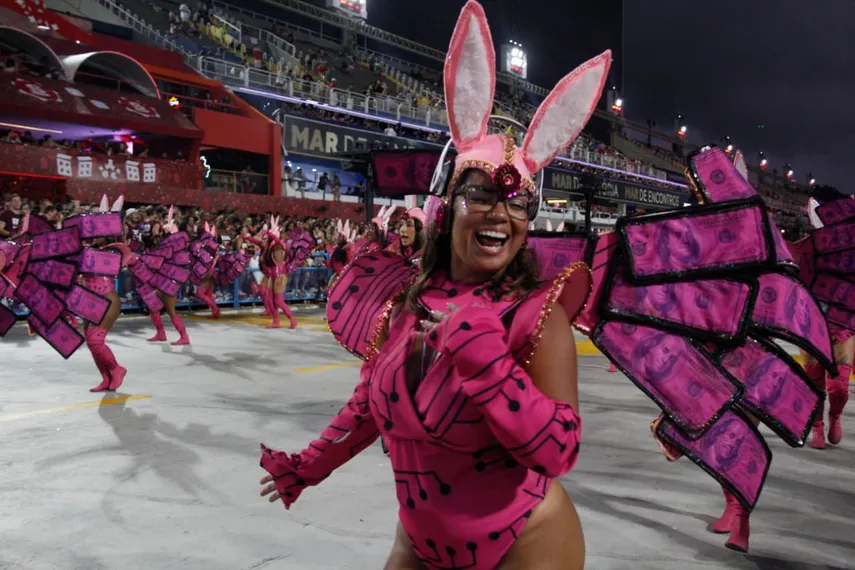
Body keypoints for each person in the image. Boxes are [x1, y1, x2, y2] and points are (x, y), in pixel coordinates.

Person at [258, 2, 612, 568]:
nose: (502, 214)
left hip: (526, 542)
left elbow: (559, 450)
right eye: (482, 196)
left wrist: (488, 365)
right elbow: (369, 406)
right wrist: (309, 465)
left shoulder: (536, 317)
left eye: (518, 202)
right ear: (447, 206)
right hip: (418, 541)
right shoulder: (405, 304)